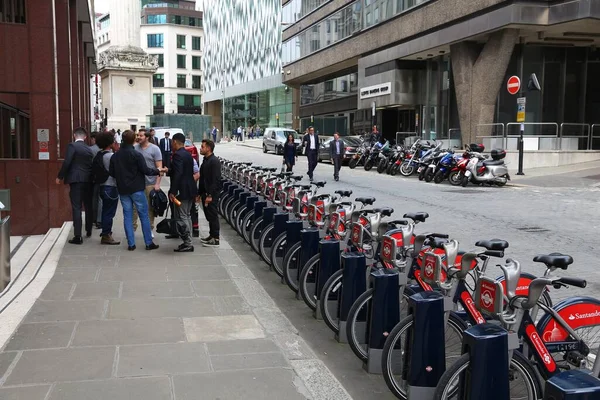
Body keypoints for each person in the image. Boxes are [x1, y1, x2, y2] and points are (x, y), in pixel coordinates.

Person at [109, 130, 163, 251]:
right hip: (137, 188)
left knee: (127, 215)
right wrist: (158, 171)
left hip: (123, 189)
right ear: (134, 140)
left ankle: (131, 243)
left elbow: (112, 173)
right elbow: (146, 170)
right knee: (144, 215)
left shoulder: (116, 155)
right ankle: (149, 242)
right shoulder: (136, 155)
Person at [56, 127, 95, 244]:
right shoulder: (89, 149)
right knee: (88, 206)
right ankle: (88, 230)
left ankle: (78, 236)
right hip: (88, 180)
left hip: (76, 180)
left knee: (77, 207)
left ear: (74, 135)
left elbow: (67, 162)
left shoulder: (72, 146)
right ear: (85, 137)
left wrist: (60, 176)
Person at [169, 133, 197, 252]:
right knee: (187, 215)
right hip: (190, 188)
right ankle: (188, 240)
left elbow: (178, 174)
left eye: (172, 142)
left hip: (182, 190)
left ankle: (188, 242)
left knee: (182, 216)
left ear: (175, 142)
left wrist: (173, 191)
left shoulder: (177, 155)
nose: (171, 144)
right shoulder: (187, 154)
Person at [132, 129, 163, 235]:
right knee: (134, 208)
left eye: (141, 135)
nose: (139, 137)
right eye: (138, 135)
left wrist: (157, 183)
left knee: (150, 208)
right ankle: (132, 228)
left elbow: (160, 168)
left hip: (150, 183)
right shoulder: (135, 148)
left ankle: (150, 229)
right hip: (137, 183)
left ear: (147, 137)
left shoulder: (155, 149)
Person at [94, 132, 120, 245]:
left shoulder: (99, 154)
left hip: (102, 185)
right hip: (111, 186)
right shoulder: (110, 156)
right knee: (109, 212)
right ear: (110, 143)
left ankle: (106, 233)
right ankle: (106, 234)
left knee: (106, 210)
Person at [198, 139, 222, 247]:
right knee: (208, 215)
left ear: (208, 148)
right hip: (205, 192)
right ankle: (211, 235)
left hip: (211, 194)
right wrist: (199, 193)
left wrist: (210, 195)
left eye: (202, 147)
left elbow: (215, 180)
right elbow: (203, 179)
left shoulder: (214, 161)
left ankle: (216, 238)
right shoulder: (206, 160)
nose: (200, 148)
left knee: (212, 215)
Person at [89, 132, 103, 229]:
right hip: (102, 177)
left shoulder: (90, 150)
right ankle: (99, 220)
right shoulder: (104, 149)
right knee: (100, 199)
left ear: (93, 139)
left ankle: (94, 219)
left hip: (92, 177)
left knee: (94, 198)